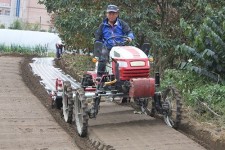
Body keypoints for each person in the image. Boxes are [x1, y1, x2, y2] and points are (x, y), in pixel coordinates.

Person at [95, 4, 135, 77]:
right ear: (106, 14)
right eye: (109, 13)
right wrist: (100, 46)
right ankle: (99, 77)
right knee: (103, 58)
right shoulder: (102, 25)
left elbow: (130, 32)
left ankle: (129, 75)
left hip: (121, 47)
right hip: (108, 47)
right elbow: (98, 38)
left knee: (130, 58)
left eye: (113, 13)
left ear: (117, 14)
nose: (111, 15)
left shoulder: (122, 24)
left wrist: (129, 37)